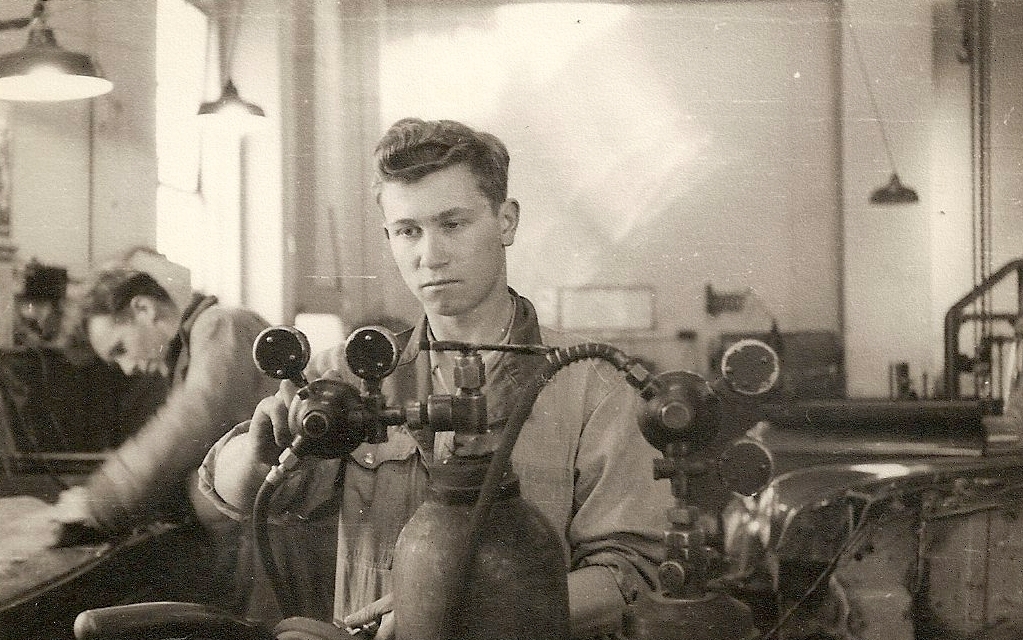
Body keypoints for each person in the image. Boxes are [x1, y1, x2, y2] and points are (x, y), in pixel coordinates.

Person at [199, 118, 671, 638]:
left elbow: (627, 574)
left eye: (453, 224)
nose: (430, 255)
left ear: (506, 221)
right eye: (408, 230)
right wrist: (260, 453)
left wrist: (450, 609)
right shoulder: (347, 376)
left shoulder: (593, 386)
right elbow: (234, 496)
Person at [49, 267, 279, 546]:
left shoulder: (221, 324)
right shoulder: (188, 358)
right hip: (257, 535)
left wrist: (98, 501)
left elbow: (193, 418)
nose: (127, 368)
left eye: (120, 348)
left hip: (281, 537)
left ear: (144, 309)